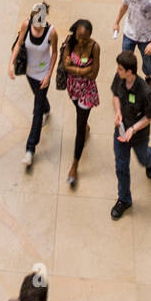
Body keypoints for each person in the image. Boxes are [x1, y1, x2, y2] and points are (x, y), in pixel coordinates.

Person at [9, 2, 58, 170]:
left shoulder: (52, 32)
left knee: (36, 111)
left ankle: (30, 149)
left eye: (40, 23)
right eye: (34, 23)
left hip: (43, 76)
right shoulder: (26, 25)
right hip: (29, 73)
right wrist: (11, 63)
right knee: (40, 101)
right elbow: (18, 43)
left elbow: (55, 53)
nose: (37, 27)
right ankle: (47, 108)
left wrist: (49, 75)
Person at [110, 49, 151, 219]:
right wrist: (118, 113)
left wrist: (134, 128)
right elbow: (115, 95)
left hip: (138, 136)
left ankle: (150, 161)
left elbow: (150, 117)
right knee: (121, 166)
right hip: (121, 132)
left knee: (143, 159)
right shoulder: (119, 79)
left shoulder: (144, 91)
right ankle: (124, 199)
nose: (117, 71)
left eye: (120, 69)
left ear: (130, 72)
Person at [62, 19, 100, 188]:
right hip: (73, 88)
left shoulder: (95, 48)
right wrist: (83, 70)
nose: (81, 41)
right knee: (78, 111)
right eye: (79, 37)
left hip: (87, 91)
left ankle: (75, 165)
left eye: (85, 38)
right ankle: (85, 127)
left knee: (79, 125)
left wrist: (75, 69)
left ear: (90, 36)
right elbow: (65, 65)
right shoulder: (69, 41)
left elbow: (94, 74)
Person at [112, 0, 151, 84]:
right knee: (125, 61)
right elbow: (124, 7)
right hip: (129, 34)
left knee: (147, 63)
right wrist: (117, 22)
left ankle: (148, 76)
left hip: (145, 38)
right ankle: (125, 79)